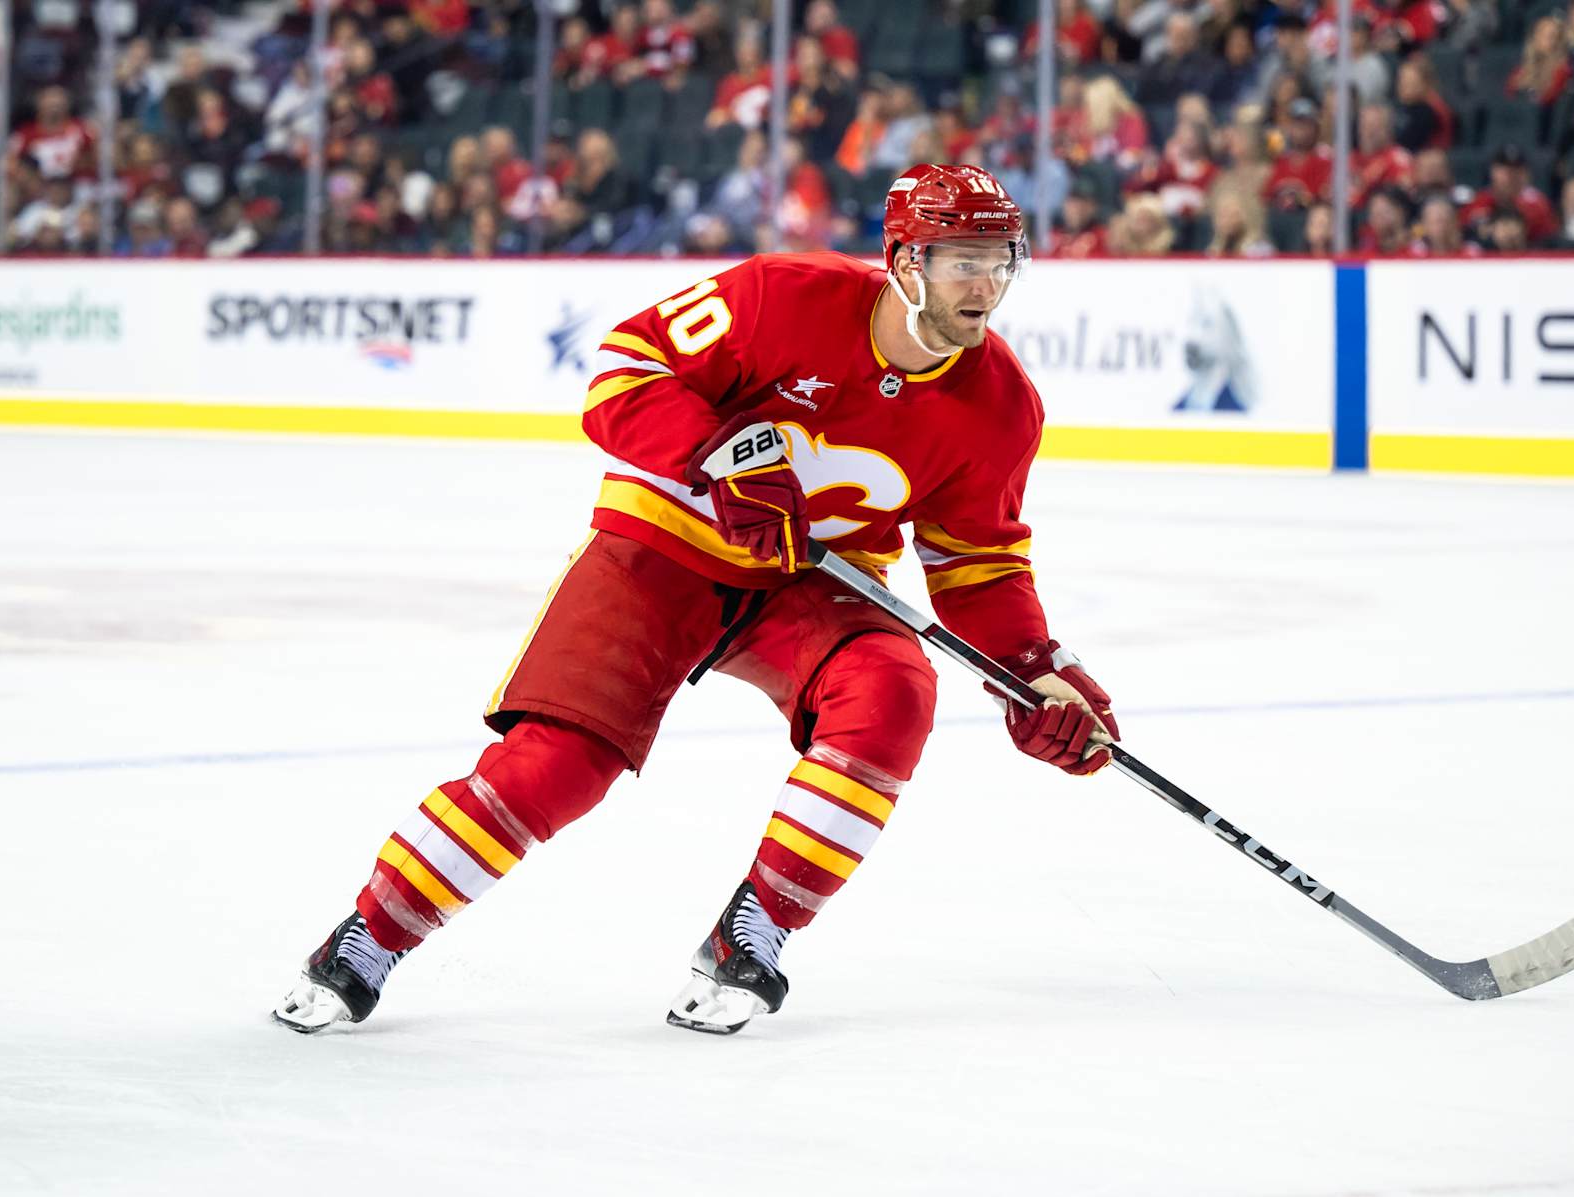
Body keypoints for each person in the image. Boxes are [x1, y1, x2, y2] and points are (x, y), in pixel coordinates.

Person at [271, 164, 1122, 1037]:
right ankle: (369, 937)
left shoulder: (1001, 407)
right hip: (662, 548)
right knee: (558, 765)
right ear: (905, 260)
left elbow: (979, 564)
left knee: (894, 690)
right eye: (960, 261)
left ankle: (753, 932)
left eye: (1000, 260)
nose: (985, 285)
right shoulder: (783, 296)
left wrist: (1032, 671)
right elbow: (622, 371)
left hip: (814, 578)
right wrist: (722, 462)